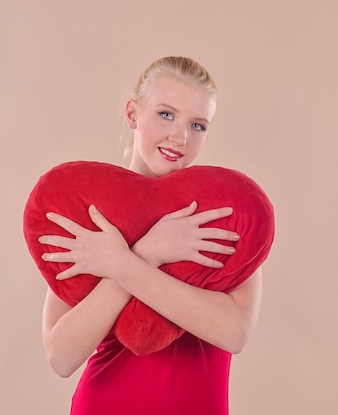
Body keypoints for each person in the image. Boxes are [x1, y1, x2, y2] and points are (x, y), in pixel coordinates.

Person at [38, 56, 263, 415]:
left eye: (198, 125)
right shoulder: (88, 210)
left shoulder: (225, 214)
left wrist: (123, 262)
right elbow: (61, 357)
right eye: (166, 114)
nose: (180, 136)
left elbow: (233, 332)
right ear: (132, 115)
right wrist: (147, 253)